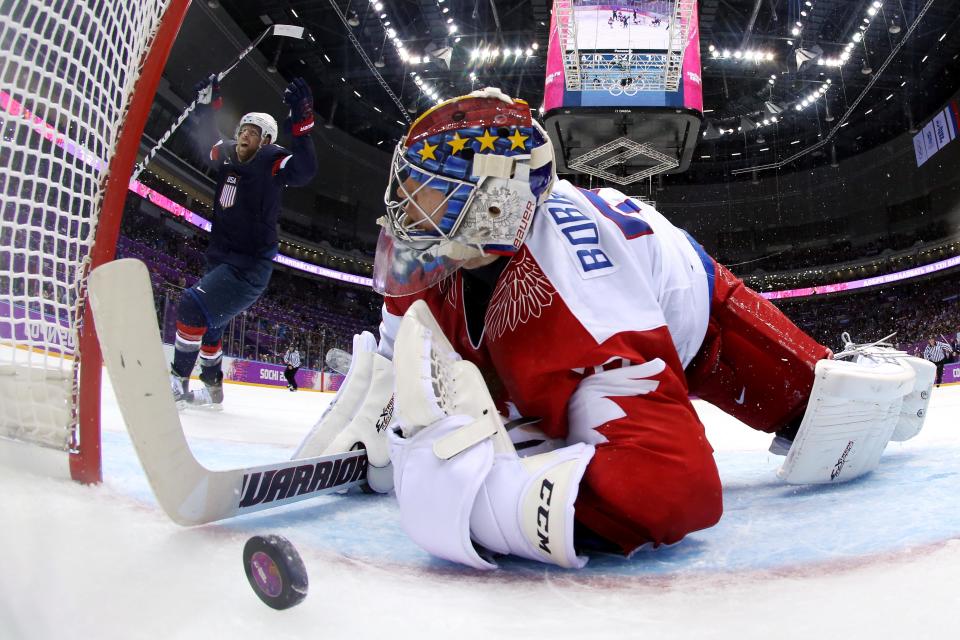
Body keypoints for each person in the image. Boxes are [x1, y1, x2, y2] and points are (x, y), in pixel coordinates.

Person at [303, 88, 928, 570]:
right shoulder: (454, 249)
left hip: (696, 320)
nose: (406, 208)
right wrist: (371, 419)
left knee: (836, 413)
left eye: (431, 193)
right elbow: (397, 345)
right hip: (583, 313)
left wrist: (489, 504)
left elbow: (675, 492)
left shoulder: (579, 298)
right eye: (407, 186)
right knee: (540, 424)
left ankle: (886, 378)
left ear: (497, 204)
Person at [168, 75, 317, 408]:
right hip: (220, 257)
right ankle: (212, 386)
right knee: (211, 325)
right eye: (242, 129)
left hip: (248, 267)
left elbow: (305, 171)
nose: (244, 134)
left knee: (193, 305)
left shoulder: (272, 160)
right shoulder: (227, 155)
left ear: (265, 141)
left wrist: (302, 128)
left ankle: (177, 382)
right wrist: (208, 105)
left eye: (252, 132)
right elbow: (204, 135)